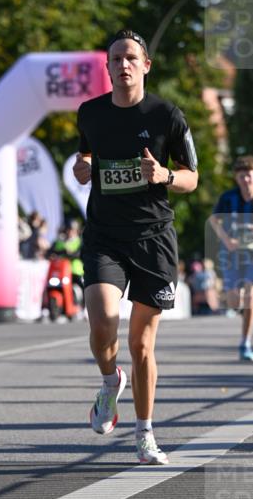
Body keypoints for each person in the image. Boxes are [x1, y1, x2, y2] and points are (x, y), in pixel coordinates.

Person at [74, 28, 198, 465]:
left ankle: (145, 435)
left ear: (146, 65)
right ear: (108, 68)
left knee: (142, 344)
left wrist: (164, 176)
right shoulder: (90, 113)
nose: (123, 64)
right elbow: (87, 156)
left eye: (131, 58)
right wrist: (82, 167)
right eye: (116, 59)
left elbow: (192, 177)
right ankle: (111, 382)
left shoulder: (167, 116)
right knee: (102, 322)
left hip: (153, 239)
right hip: (105, 236)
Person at [211, 155, 253, 362]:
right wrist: (226, 240)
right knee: (234, 301)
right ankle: (235, 298)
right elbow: (214, 220)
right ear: (236, 178)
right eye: (242, 176)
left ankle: (245, 342)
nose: (246, 180)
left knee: (251, 296)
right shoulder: (228, 198)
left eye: (249, 175)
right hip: (231, 252)